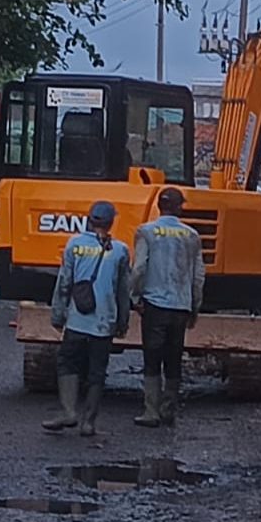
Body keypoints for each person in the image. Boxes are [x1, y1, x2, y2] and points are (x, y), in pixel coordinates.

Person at [43, 201, 130, 437]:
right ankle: (88, 423)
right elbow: (123, 291)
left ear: (89, 220)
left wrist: (58, 314)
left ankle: (68, 412)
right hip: (104, 322)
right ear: (111, 222)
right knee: (97, 371)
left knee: (67, 363)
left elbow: (64, 282)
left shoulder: (74, 244)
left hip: (77, 320)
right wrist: (122, 321)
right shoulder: (120, 250)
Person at [131, 187, 206, 428]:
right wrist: (194, 306)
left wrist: (135, 297)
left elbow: (139, 268)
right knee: (173, 358)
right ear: (179, 206)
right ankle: (168, 409)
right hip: (180, 306)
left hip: (154, 305)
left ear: (159, 206)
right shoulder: (192, 235)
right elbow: (198, 277)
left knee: (152, 358)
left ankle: (151, 411)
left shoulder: (146, 232)